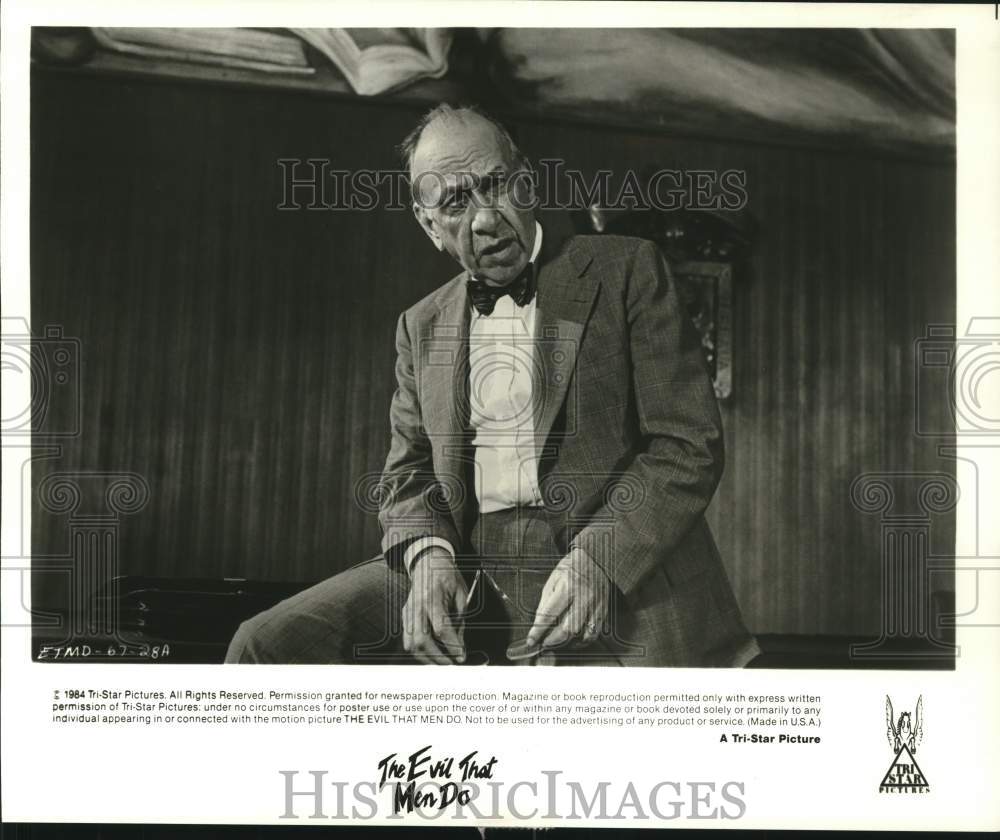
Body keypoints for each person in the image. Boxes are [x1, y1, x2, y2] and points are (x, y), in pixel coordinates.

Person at [225, 104, 760, 667]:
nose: (485, 219)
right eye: (455, 202)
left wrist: (599, 559)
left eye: (495, 185)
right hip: (468, 560)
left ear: (525, 180)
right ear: (429, 225)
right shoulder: (420, 324)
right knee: (263, 645)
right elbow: (407, 473)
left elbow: (686, 444)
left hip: (610, 547)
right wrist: (428, 558)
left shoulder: (626, 269)